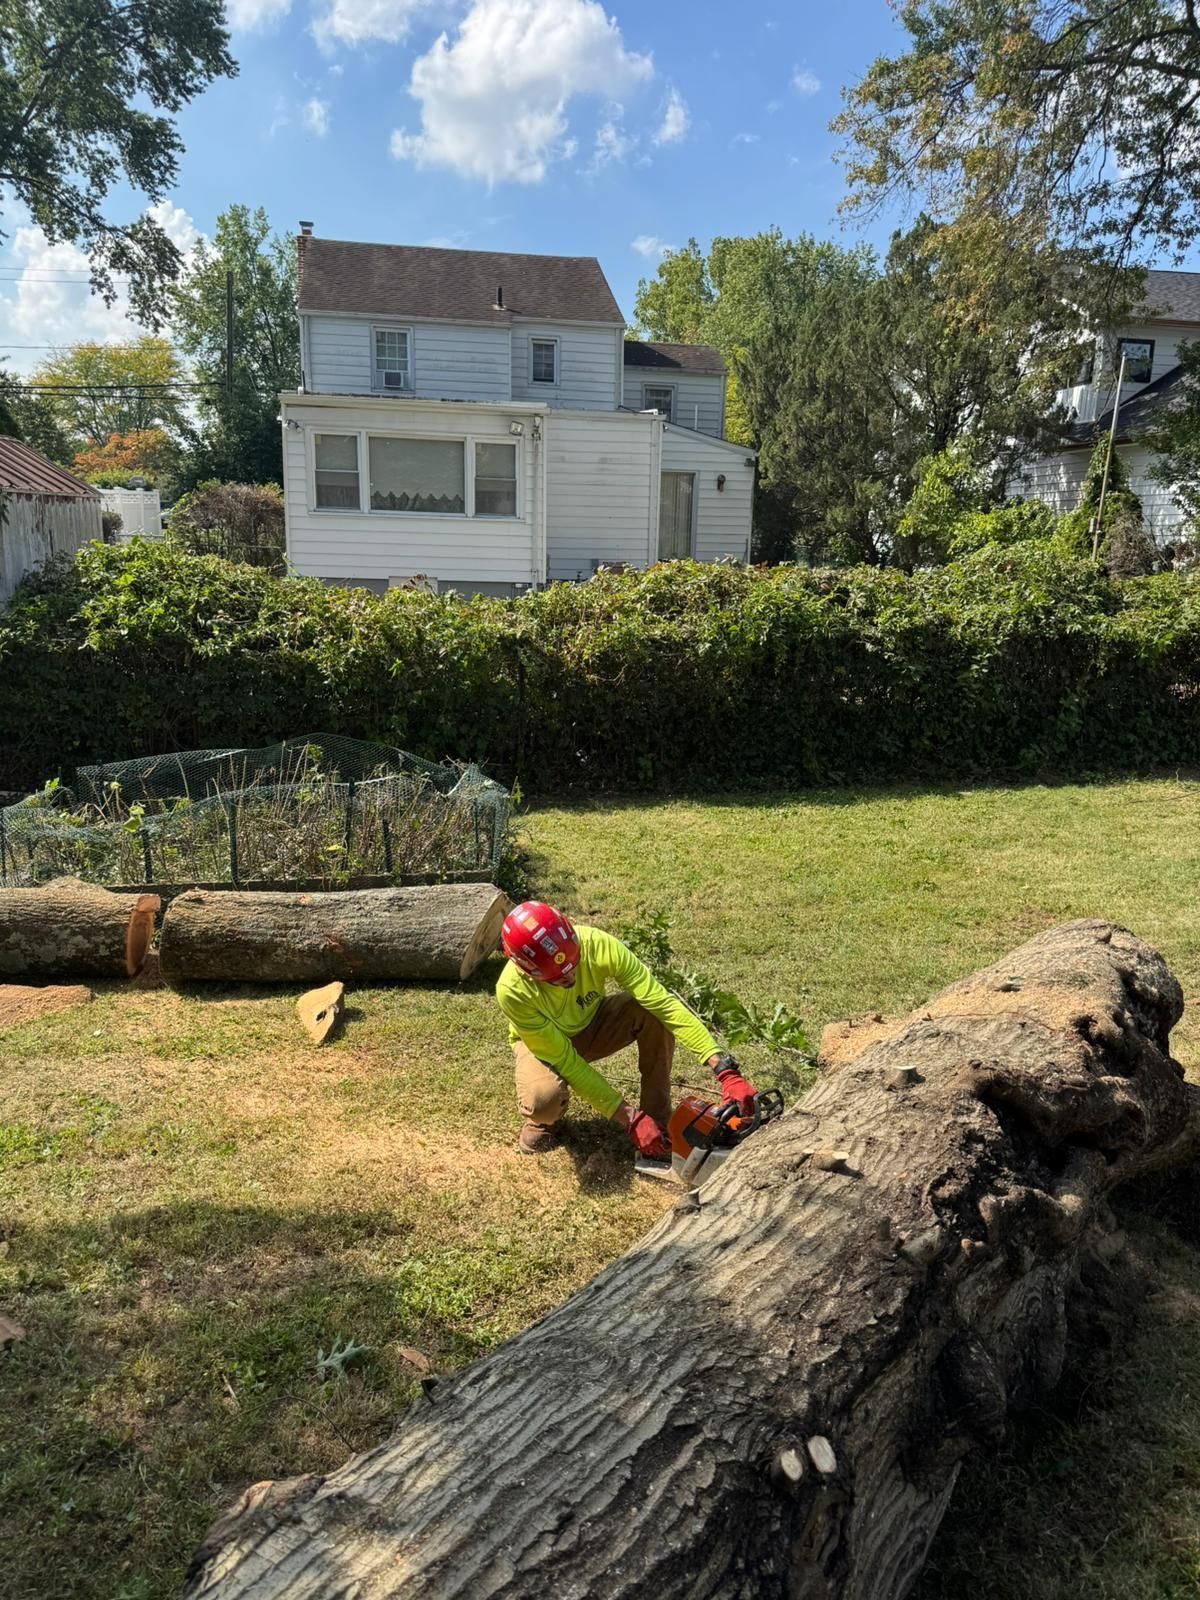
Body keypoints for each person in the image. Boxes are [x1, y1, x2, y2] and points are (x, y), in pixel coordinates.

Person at [496, 900, 757, 1157]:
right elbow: (565, 1059)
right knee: (544, 1099)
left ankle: (657, 1117)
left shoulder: (597, 944)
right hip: (543, 1045)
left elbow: (662, 1003)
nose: (571, 977)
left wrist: (724, 1069)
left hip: (592, 1023)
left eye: (574, 965)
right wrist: (628, 1118)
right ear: (526, 971)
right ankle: (542, 1121)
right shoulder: (512, 991)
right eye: (558, 978)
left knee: (651, 1012)